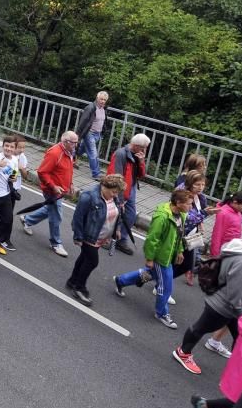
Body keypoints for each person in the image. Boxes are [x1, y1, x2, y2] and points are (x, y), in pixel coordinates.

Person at [173, 221, 242, 375]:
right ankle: (183, 352)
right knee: (200, 328)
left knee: (240, 336)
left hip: (226, 303)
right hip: (225, 306)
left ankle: (238, 368)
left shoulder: (240, 249)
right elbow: (236, 291)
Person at [113, 189, 192, 330]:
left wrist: (179, 250)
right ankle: (162, 313)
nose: (190, 207)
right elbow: (151, 239)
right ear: (178, 203)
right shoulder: (162, 217)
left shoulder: (182, 214)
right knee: (166, 286)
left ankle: (121, 280)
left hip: (168, 256)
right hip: (160, 258)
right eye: (188, 204)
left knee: (149, 275)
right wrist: (150, 258)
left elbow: (180, 235)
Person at [65, 174, 127, 306]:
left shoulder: (113, 196)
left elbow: (118, 214)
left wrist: (117, 229)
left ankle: (72, 281)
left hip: (102, 236)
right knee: (92, 261)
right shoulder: (89, 196)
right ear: (104, 186)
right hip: (89, 235)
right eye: (113, 192)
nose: (115, 195)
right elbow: (78, 218)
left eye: (117, 192)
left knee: (84, 258)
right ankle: (79, 287)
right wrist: (78, 236)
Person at [21, 131, 79, 257]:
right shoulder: (55, 153)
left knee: (50, 210)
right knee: (56, 216)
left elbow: (68, 169)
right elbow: (42, 172)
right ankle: (56, 243)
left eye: (76, 142)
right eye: (73, 142)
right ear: (65, 141)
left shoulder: (70, 152)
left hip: (61, 190)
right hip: (52, 191)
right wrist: (53, 186)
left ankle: (27, 220)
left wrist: (71, 184)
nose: (76, 145)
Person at [107, 133, 151, 255]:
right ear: (136, 146)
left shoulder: (137, 155)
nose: (145, 150)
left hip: (130, 188)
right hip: (120, 189)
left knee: (130, 215)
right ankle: (108, 237)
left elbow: (141, 175)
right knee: (115, 214)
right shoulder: (120, 154)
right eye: (144, 147)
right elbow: (116, 177)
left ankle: (120, 239)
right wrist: (120, 199)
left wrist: (141, 161)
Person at [176, 171, 218, 286]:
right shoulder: (183, 196)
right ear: (190, 183)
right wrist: (206, 213)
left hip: (191, 235)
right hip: (177, 234)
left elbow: (198, 215)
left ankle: (161, 281)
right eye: (197, 184)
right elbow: (188, 218)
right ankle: (139, 278)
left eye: (203, 185)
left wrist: (201, 224)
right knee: (170, 264)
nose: (200, 188)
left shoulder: (201, 198)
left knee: (187, 263)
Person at [74, 91, 109, 179]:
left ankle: (70, 159)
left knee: (82, 149)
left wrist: (103, 131)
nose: (103, 101)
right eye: (101, 99)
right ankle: (96, 174)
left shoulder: (104, 109)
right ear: (97, 98)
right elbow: (83, 121)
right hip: (89, 133)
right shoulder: (90, 108)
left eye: (105, 100)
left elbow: (103, 121)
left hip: (97, 134)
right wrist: (77, 134)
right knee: (93, 153)